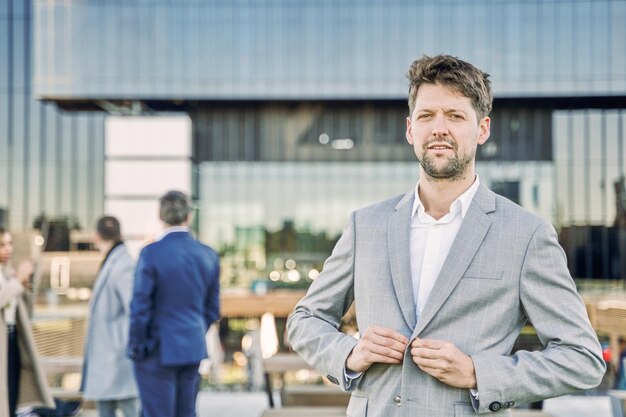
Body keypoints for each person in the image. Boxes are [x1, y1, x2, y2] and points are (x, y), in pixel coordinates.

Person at [286, 55, 606, 416]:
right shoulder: (366, 225)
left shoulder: (526, 235)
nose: (439, 128)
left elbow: (582, 358)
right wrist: (349, 353)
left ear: (482, 129)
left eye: (455, 116)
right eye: (426, 116)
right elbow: (305, 320)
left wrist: (478, 373)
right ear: (410, 130)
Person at [127, 191, 220, 417]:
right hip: (191, 348)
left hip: (156, 351)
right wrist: (193, 332)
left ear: (161, 216)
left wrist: (138, 347)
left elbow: (140, 307)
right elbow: (212, 309)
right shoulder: (208, 255)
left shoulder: (151, 253)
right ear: (189, 216)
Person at [80, 216, 139, 417]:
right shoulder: (116, 260)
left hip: (116, 356)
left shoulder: (122, 264)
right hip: (109, 359)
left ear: (96, 237)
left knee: (128, 409)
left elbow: (133, 309)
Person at [0, 227, 54, 417]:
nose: (7, 249)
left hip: (12, 340)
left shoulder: (7, 272)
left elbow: (25, 311)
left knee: (11, 394)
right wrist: (18, 281)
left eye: (9, 244)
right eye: (2, 245)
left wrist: (26, 282)